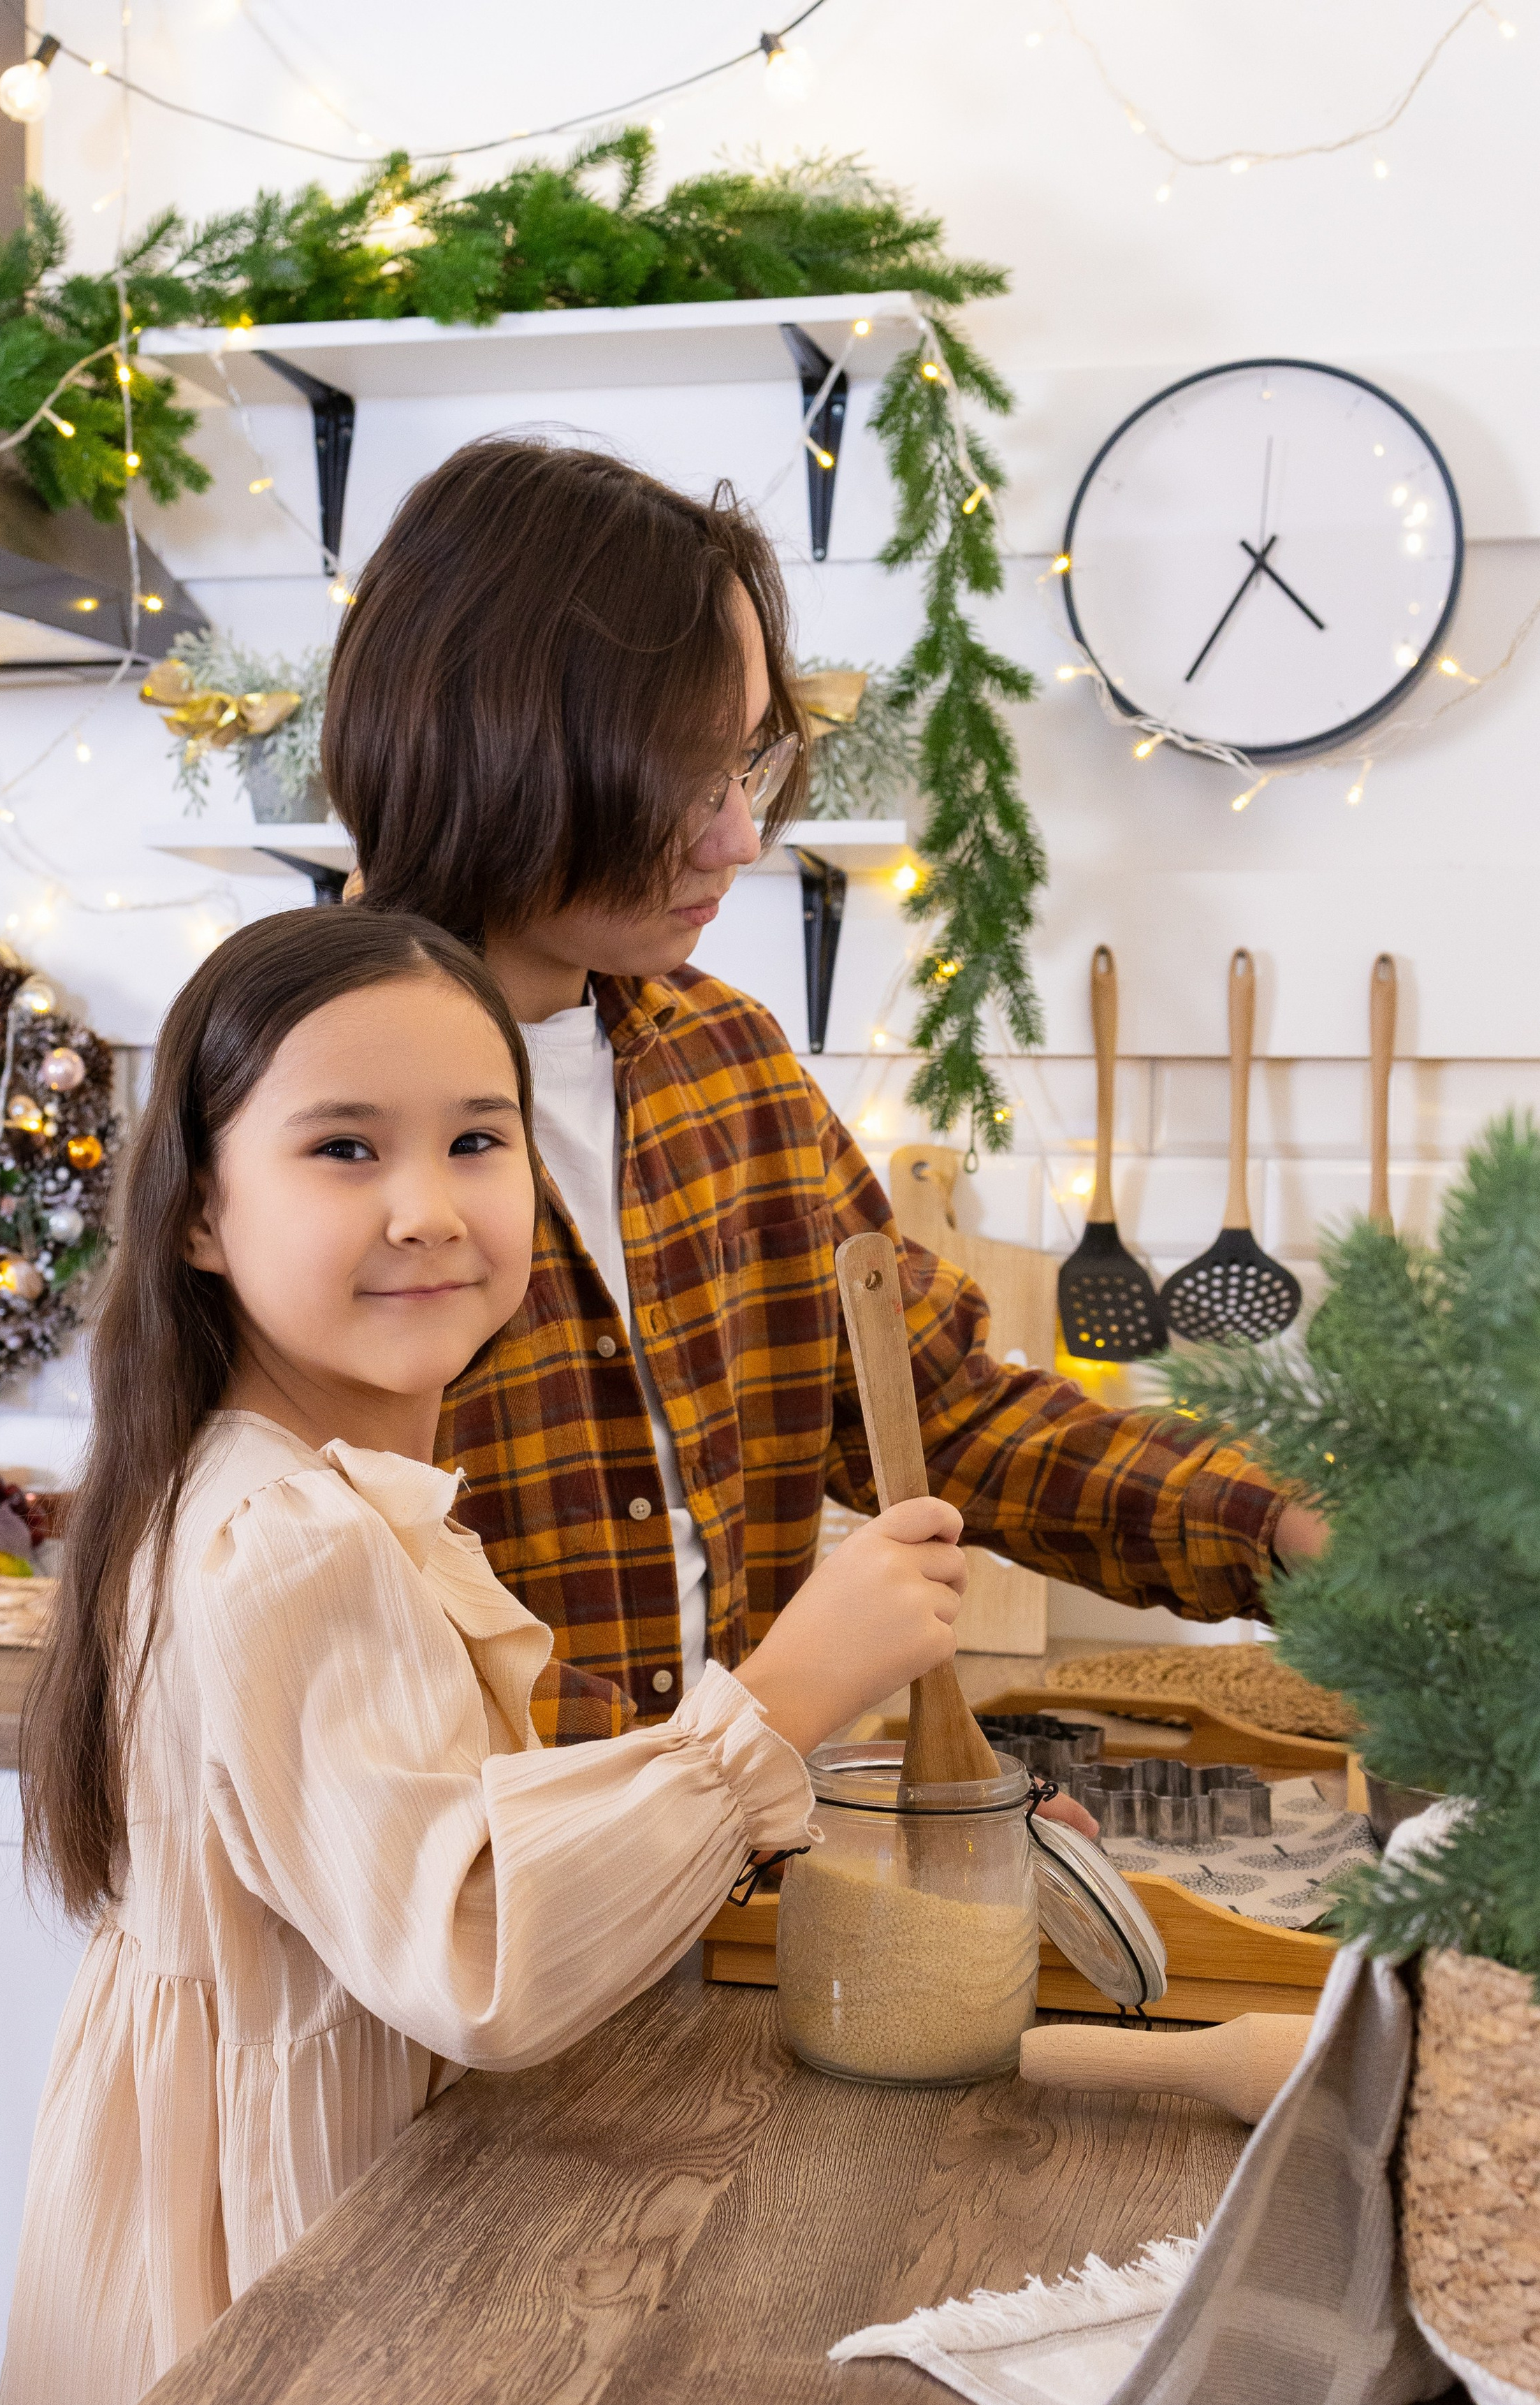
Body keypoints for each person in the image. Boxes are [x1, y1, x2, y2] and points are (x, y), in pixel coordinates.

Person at [0, 907, 982, 2405]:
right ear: (201, 1219)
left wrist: (821, 1770)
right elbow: (475, 1941)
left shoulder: (326, 1497)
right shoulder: (289, 1537)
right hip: (284, 2251)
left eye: (474, 1139)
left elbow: (457, 1808)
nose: (427, 1208)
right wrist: (789, 1693)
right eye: (342, 1149)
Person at [324, 438, 1325, 1742]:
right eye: (684, 777)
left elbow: (941, 1411)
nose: (739, 835)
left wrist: (1289, 1533)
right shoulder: (305, 1106)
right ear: (507, 744)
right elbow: (344, 1623)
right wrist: (751, 1752)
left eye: (745, 765)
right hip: (463, 1913)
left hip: (719, 1873)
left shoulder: (725, 1067)